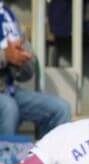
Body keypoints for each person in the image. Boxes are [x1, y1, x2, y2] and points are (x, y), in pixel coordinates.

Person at [0, 1, 71, 136]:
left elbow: (28, 73)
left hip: (9, 90)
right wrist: (5, 56)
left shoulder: (6, 14)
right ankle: (5, 157)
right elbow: (6, 55)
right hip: (5, 100)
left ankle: (46, 157)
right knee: (8, 108)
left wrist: (21, 59)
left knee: (60, 109)